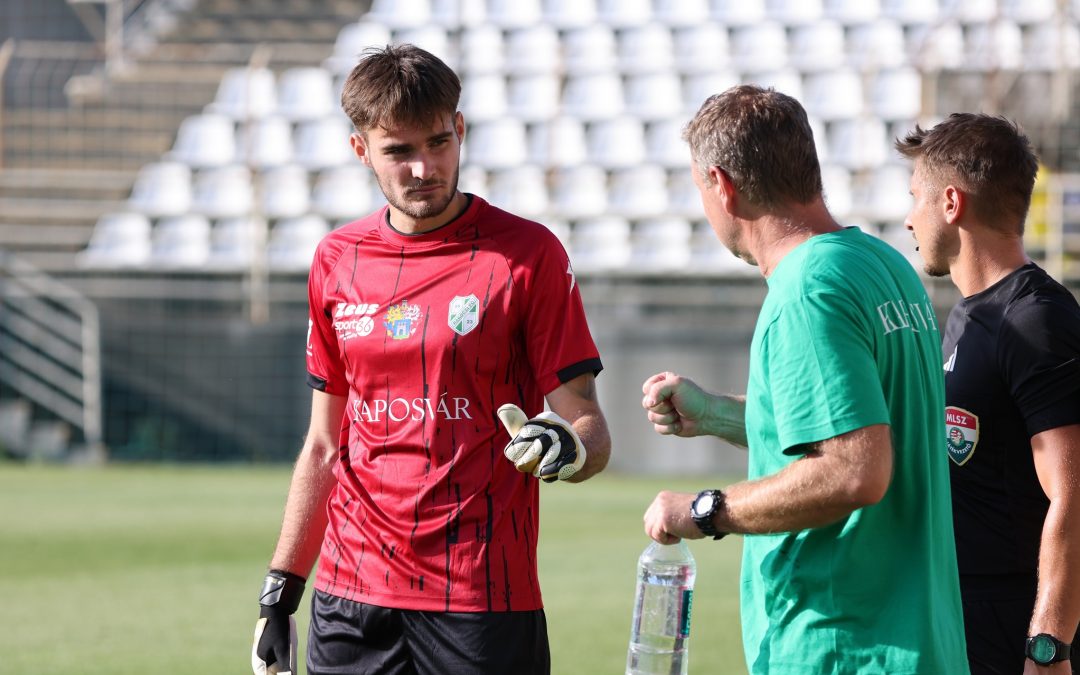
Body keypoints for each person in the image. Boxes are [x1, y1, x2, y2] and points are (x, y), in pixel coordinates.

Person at [250, 44, 611, 675]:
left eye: (439, 143)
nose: (424, 167)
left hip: (481, 600)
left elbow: (588, 425)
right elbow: (322, 446)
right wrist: (280, 590)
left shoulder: (528, 255)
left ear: (461, 129)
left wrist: (566, 448)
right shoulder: (337, 259)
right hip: (348, 597)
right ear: (361, 150)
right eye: (398, 151)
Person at [639, 85, 968, 674]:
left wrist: (705, 508)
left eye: (699, 190)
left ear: (723, 185)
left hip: (844, 646)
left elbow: (853, 470)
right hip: (919, 637)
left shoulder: (805, 293)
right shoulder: (882, 263)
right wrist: (713, 413)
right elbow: (859, 420)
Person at [896, 113, 1080, 674]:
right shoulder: (970, 317)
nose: (908, 220)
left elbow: (1074, 493)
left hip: (1017, 631)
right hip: (967, 618)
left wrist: (1047, 646)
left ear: (950, 203)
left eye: (915, 199)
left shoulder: (1035, 320)